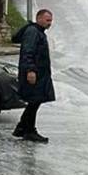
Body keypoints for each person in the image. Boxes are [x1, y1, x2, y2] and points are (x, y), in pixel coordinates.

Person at [11, 8, 55, 143]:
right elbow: (28, 52)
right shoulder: (33, 32)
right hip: (34, 74)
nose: (50, 23)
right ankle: (28, 130)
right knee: (34, 101)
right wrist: (30, 70)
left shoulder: (37, 32)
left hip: (39, 74)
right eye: (48, 20)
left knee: (35, 101)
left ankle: (23, 127)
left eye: (51, 21)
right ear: (39, 18)